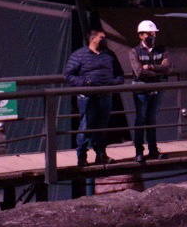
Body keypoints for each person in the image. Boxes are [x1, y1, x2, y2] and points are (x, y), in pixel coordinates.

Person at [62, 28, 124, 166]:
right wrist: (85, 83)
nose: (105, 40)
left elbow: (119, 74)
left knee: (101, 127)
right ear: (93, 38)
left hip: (105, 96)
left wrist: (112, 83)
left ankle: (100, 154)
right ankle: (82, 156)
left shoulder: (109, 54)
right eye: (102, 38)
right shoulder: (79, 55)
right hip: (88, 97)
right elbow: (68, 75)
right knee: (85, 126)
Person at [129, 20, 171, 159]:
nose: (152, 36)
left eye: (153, 33)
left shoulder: (162, 50)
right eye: (148, 34)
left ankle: (153, 150)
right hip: (141, 90)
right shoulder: (134, 51)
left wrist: (151, 67)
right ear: (141, 35)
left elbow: (168, 68)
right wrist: (159, 69)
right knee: (140, 119)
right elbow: (139, 72)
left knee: (152, 119)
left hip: (157, 89)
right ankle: (139, 152)